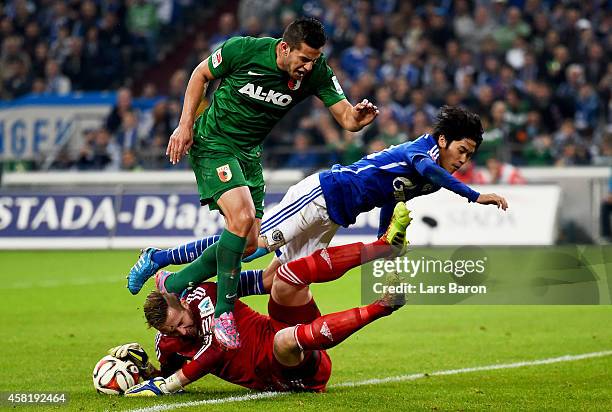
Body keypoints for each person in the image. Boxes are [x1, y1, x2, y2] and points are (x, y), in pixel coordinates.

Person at [128, 17, 380, 351]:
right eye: (303, 59)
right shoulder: (244, 50)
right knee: (242, 218)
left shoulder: (317, 73)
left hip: (248, 156)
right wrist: (184, 125)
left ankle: (169, 275)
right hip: (214, 142)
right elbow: (200, 74)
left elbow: (346, 117)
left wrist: (358, 119)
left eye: (315, 59)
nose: (308, 66)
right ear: (284, 47)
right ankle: (224, 313)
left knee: (247, 244)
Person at [128, 106, 508, 301]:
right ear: (444, 140)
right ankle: (160, 260)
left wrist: (383, 242)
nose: (463, 160)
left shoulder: (429, 182)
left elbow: (392, 199)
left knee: (283, 278)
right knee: (250, 244)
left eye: (470, 155)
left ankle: (201, 292)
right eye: (462, 150)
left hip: (335, 216)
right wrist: (476, 195)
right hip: (322, 194)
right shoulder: (424, 153)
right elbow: (430, 170)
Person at [115, 203, 411, 396]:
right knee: (284, 339)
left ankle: (381, 247)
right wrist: (139, 369)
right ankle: (382, 306)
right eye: (172, 332)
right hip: (282, 371)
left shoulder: (204, 295)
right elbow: (164, 374)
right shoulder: (168, 343)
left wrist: (170, 384)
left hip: (286, 338)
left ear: (181, 301)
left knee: (285, 278)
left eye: (180, 322)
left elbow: (218, 346)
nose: (182, 332)